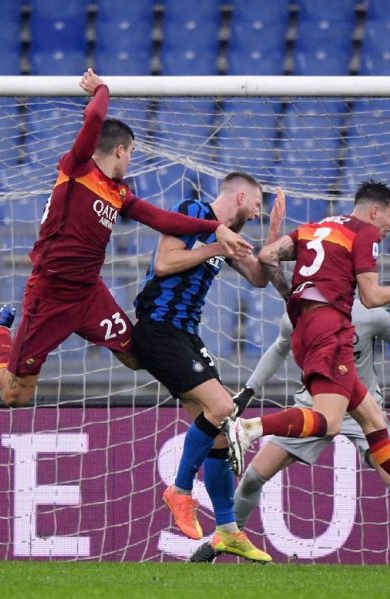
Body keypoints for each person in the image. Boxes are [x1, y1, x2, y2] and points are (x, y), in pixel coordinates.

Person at [0, 69, 251, 407]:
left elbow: (161, 218)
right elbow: (96, 115)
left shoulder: (119, 192)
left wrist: (213, 227)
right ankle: (0, 328)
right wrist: (102, 88)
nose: (130, 160)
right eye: (130, 154)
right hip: (50, 296)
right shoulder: (76, 168)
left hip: (89, 294)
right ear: (120, 150)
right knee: (15, 396)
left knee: (137, 356)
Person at [223, 180, 390, 536]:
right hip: (330, 328)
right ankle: (250, 429)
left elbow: (267, 255)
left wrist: (294, 296)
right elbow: (369, 298)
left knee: (373, 421)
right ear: (374, 210)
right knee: (330, 421)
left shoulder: (316, 227)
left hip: (306, 327)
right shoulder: (362, 234)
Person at [191, 301, 390, 565]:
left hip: (363, 411)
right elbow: (279, 348)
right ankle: (222, 543)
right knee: (254, 477)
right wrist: (250, 389)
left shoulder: (369, 316)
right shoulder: (298, 314)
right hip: (312, 410)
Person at [133, 179, 285, 562]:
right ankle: (180, 490)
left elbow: (259, 278)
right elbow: (164, 262)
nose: (256, 212)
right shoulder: (194, 211)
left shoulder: (228, 235)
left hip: (184, 334)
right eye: (256, 206)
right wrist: (217, 245)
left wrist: (272, 236)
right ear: (240, 197)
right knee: (221, 408)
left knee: (222, 432)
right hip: (158, 328)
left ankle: (228, 531)